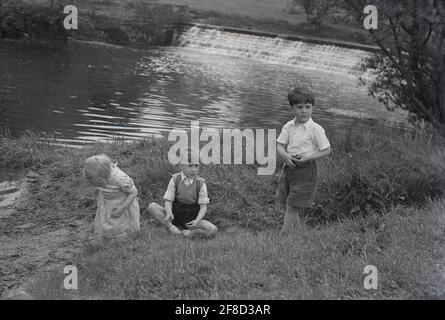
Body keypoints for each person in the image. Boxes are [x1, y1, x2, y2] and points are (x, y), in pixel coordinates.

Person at [276, 88, 331, 234]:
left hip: (306, 170)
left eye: (308, 107)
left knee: (293, 205)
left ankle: (283, 235)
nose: (304, 111)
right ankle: (298, 230)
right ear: (292, 108)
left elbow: (327, 150)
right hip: (288, 168)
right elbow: (280, 145)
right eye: (299, 107)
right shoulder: (289, 126)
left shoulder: (315, 129)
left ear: (312, 108)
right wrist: (285, 156)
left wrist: (308, 157)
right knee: (283, 199)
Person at [148, 150, 218, 238]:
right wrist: (169, 213)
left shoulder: (201, 184)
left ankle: (188, 233)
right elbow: (168, 200)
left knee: (213, 229)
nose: (193, 170)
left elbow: (203, 207)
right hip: (174, 216)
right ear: (181, 166)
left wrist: (197, 221)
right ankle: (172, 228)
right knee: (152, 206)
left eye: (196, 166)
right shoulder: (175, 179)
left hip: (191, 220)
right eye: (190, 166)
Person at [83, 154, 140, 241]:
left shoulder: (120, 179)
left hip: (122, 205)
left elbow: (133, 192)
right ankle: (108, 235)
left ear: (105, 176)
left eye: (98, 183)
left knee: (121, 223)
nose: (97, 186)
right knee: (108, 221)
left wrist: (123, 207)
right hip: (108, 203)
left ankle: (124, 236)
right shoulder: (101, 177)